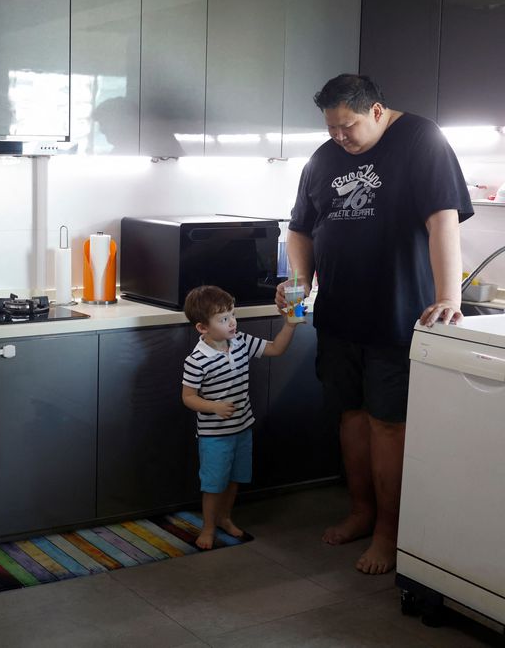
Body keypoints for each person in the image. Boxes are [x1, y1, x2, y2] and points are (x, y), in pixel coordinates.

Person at [277, 74, 472, 575]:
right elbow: (301, 229)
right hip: (339, 315)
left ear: (378, 111)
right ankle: (361, 513)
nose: (339, 138)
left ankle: (390, 531)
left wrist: (448, 296)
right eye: (332, 128)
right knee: (350, 416)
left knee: (388, 424)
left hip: (397, 317)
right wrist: (298, 287)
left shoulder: (421, 140)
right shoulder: (323, 158)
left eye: (349, 127)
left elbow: (442, 219)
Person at [182, 285, 299, 549]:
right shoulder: (197, 360)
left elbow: (276, 349)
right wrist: (214, 407)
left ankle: (225, 518)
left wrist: (290, 325)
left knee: (235, 478)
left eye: (232, 315)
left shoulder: (241, 342)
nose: (232, 322)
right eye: (223, 319)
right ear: (202, 328)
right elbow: (188, 397)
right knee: (214, 483)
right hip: (215, 436)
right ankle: (208, 528)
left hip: (243, 428)